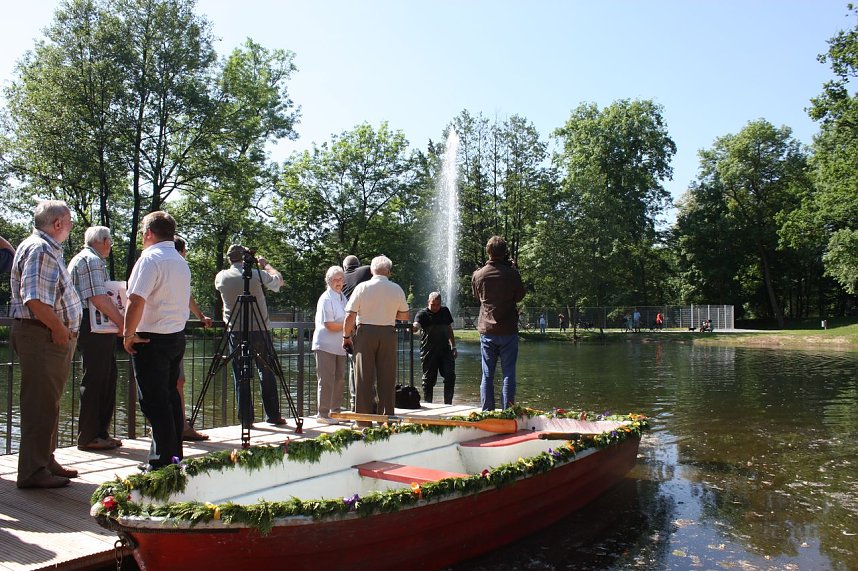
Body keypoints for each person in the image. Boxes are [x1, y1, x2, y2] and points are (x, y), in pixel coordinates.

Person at [11, 200, 82, 488]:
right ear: (57, 224)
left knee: (48, 403)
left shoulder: (45, 248)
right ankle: (32, 471)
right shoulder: (41, 249)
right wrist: (59, 328)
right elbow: (35, 298)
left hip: (47, 335)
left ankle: (44, 459)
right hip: (43, 334)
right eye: (69, 221)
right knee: (39, 404)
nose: (72, 226)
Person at [123, 211, 190, 469]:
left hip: (150, 338)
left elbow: (136, 299)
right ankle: (172, 457)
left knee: (154, 401)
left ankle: (162, 461)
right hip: (175, 337)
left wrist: (128, 334)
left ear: (149, 233)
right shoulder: (180, 261)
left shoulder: (150, 259)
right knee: (170, 398)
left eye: (142, 231)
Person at [215, 244, 286, 426]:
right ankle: (273, 415)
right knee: (267, 372)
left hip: (235, 331)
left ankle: (246, 419)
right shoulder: (256, 274)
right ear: (246, 257)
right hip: (259, 329)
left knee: (240, 375)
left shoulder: (221, 277)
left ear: (229, 258)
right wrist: (265, 264)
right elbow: (279, 281)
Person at [68, 226, 125, 451]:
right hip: (92, 327)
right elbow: (99, 298)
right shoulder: (91, 260)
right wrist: (123, 323)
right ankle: (90, 436)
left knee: (106, 377)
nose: (111, 245)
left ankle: (100, 433)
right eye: (110, 241)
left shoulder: (86, 259)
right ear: (102, 240)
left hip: (94, 326)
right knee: (96, 380)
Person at [342, 255, 409, 427]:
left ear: (372, 270)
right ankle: (386, 420)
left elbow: (350, 315)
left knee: (364, 377)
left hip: (365, 333)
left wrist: (346, 336)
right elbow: (404, 315)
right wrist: (389, 312)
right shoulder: (397, 289)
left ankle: (363, 422)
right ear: (389, 271)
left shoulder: (362, 287)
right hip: (388, 332)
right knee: (387, 377)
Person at [472, 236, 525, 411]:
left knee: (487, 374)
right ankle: (507, 411)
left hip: (487, 330)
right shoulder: (512, 274)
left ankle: (487, 412)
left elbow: (477, 297)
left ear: (488, 252)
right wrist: (513, 271)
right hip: (508, 329)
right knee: (508, 373)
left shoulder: (478, 274)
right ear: (504, 252)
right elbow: (519, 296)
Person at [174, 237, 212, 441]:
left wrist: (200, 317)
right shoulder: (178, 266)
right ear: (182, 251)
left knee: (174, 381)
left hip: (168, 331)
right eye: (185, 250)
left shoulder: (156, 263)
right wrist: (200, 317)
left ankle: (175, 426)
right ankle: (181, 427)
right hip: (171, 332)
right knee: (177, 382)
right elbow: (187, 296)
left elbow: (186, 296)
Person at [311, 266, 348, 424]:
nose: (338, 282)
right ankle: (323, 414)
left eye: (341, 279)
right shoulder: (326, 298)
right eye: (335, 279)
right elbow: (329, 325)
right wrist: (348, 326)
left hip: (339, 346)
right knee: (326, 379)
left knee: (339, 379)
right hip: (325, 345)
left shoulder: (342, 297)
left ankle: (336, 411)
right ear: (329, 281)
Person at [412, 292, 457, 404]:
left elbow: (449, 329)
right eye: (433, 304)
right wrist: (412, 328)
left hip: (445, 351)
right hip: (428, 351)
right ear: (428, 302)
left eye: (438, 304)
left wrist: (453, 346)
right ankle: (428, 403)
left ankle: (448, 404)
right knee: (428, 380)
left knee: (450, 376)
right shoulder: (422, 314)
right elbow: (416, 325)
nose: (435, 307)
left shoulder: (445, 311)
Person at [341, 254, 373, 409]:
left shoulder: (341, 278)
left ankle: (354, 402)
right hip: (361, 324)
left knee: (354, 365)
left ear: (344, 267)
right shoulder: (366, 271)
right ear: (358, 265)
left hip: (346, 326)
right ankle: (370, 400)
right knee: (368, 363)